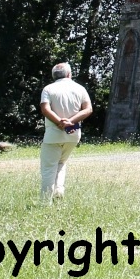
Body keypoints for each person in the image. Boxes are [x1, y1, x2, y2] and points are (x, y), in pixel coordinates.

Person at [39, 62, 92, 202]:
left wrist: (59, 122)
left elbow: (45, 109)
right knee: (61, 162)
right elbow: (88, 109)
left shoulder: (48, 89)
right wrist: (71, 121)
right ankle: (59, 190)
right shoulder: (80, 88)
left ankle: (45, 202)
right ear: (69, 74)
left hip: (53, 135)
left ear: (54, 75)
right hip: (73, 134)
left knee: (48, 168)